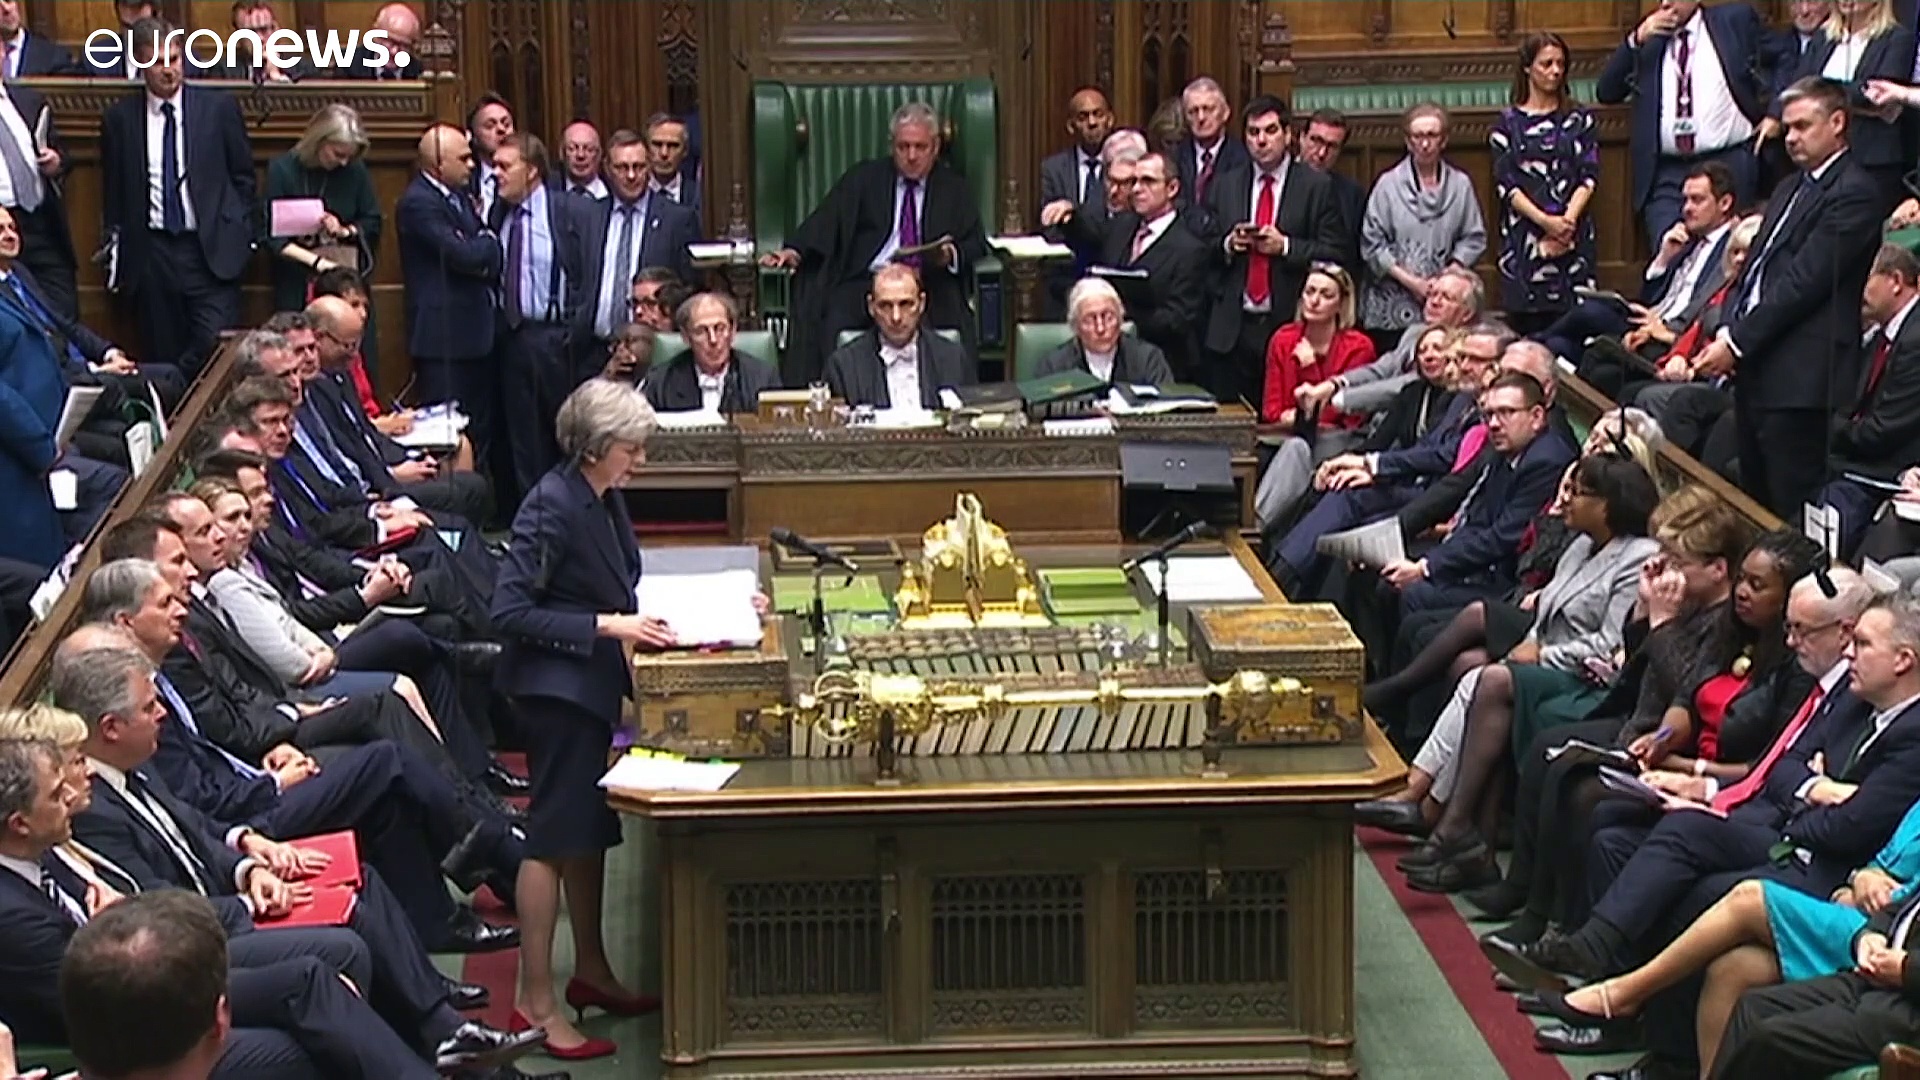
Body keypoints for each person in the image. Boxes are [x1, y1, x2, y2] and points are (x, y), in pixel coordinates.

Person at [490, 380, 668, 1059]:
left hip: (588, 690)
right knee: (552, 838)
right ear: (594, 447)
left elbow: (619, 580)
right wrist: (607, 625)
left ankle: (591, 969)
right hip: (554, 695)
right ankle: (536, 1003)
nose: (640, 460)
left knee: (587, 830)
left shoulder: (602, 495)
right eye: (631, 448)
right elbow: (509, 612)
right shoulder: (549, 505)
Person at [1689, 76, 1883, 518]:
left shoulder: (1854, 192)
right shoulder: (1788, 188)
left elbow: (1802, 283)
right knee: (1754, 504)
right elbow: (1754, 268)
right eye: (1788, 127)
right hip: (1757, 368)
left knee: (1789, 512)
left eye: (1802, 126)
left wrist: (1737, 342)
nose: (1791, 137)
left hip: (1803, 378)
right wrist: (1729, 327)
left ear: (1837, 123)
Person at [760, 102, 987, 385]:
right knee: (831, 318)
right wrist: (794, 250)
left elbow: (976, 243)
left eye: (920, 147)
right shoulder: (865, 178)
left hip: (929, 282)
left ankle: (949, 399)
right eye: (903, 147)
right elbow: (828, 220)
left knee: (956, 327)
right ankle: (838, 396)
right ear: (892, 145)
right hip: (868, 281)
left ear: (936, 146)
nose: (912, 156)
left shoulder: (954, 188)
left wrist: (949, 255)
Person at [99, 17, 256, 377]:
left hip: (208, 248)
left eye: (174, 59)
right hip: (152, 254)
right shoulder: (119, 119)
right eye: (158, 61)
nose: (168, 70)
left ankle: (204, 410)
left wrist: (239, 229)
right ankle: (175, 411)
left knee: (214, 344)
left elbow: (243, 177)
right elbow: (114, 193)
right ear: (140, 62)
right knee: (162, 352)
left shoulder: (217, 109)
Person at [1596, 0, 1766, 247]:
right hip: (1669, 173)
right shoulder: (1651, 39)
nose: (1666, 3)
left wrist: (1775, 112)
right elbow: (1607, 91)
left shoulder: (1733, 20)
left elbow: (1782, 58)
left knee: (1728, 252)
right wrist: (1635, 40)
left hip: (1727, 163)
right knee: (1670, 248)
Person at [1253, 263, 1377, 532]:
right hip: (1283, 436)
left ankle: (1254, 528)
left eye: (1326, 294)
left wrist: (1310, 368)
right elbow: (1271, 410)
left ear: (1341, 304)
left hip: (1338, 441)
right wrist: (1301, 417)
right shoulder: (1283, 339)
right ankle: (1257, 528)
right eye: (1310, 292)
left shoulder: (1358, 347)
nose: (1315, 300)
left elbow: (1348, 416)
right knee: (1291, 448)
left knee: (1297, 449)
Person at [1492, 31, 1599, 333]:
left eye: (1561, 64)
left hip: (1571, 230)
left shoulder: (1579, 119)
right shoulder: (1508, 123)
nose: (1555, 71)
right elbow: (1507, 186)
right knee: (1526, 332)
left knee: (1571, 327)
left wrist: (1566, 222)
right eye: (1546, 64)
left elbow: (1588, 176)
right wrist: (1544, 221)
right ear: (1528, 67)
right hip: (1525, 234)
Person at [264, 105, 383, 376]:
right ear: (318, 141)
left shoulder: (355, 171)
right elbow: (270, 235)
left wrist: (345, 231)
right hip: (298, 278)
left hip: (344, 282)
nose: (343, 162)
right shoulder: (283, 170)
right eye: (338, 154)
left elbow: (372, 221)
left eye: (349, 156)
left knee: (355, 361)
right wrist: (317, 263)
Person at [1764, 0, 1913, 213]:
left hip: (1872, 159)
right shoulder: (1823, 37)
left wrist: (1820, 89)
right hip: (1821, 158)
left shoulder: (1897, 38)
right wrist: (1849, 92)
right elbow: (1799, 86)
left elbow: (1876, 94)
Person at [1359, 103, 1487, 344]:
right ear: (1408, 141)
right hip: (1393, 305)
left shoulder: (1460, 185)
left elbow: (1473, 238)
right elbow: (1372, 244)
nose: (1425, 143)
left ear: (1444, 140)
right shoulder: (1387, 185)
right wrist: (1413, 282)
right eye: (1418, 136)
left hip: (1445, 306)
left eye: (1432, 135)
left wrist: (1448, 275)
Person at [822, 263, 975, 409]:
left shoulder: (953, 358)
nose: (896, 317)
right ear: (871, 306)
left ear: (922, 303)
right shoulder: (843, 366)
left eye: (906, 304)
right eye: (885, 306)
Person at [643, 292, 780, 414]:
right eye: (701, 331)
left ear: (732, 331)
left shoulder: (763, 379)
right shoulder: (660, 383)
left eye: (720, 328)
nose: (713, 340)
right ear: (686, 336)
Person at [1033, 276, 1175, 385]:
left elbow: (1167, 407)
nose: (1100, 328)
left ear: (1120, 319)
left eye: (1108, 317)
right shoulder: (1054, 366)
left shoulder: (1148, 359)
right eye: (1090, 319)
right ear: (1076, 326)